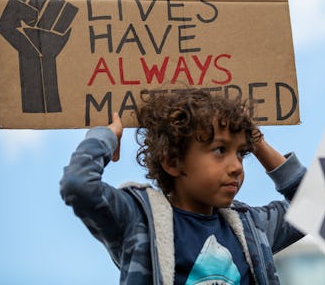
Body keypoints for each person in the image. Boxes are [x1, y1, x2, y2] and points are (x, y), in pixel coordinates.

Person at [60, 89, 306, 284]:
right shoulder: (139, 221)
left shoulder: (251, 228)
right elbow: (79, 185)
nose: (237, 167)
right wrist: (106, 137)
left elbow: (317, 206)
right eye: (220, 150)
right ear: (172, 162)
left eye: (242, 153)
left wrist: (258, 142)